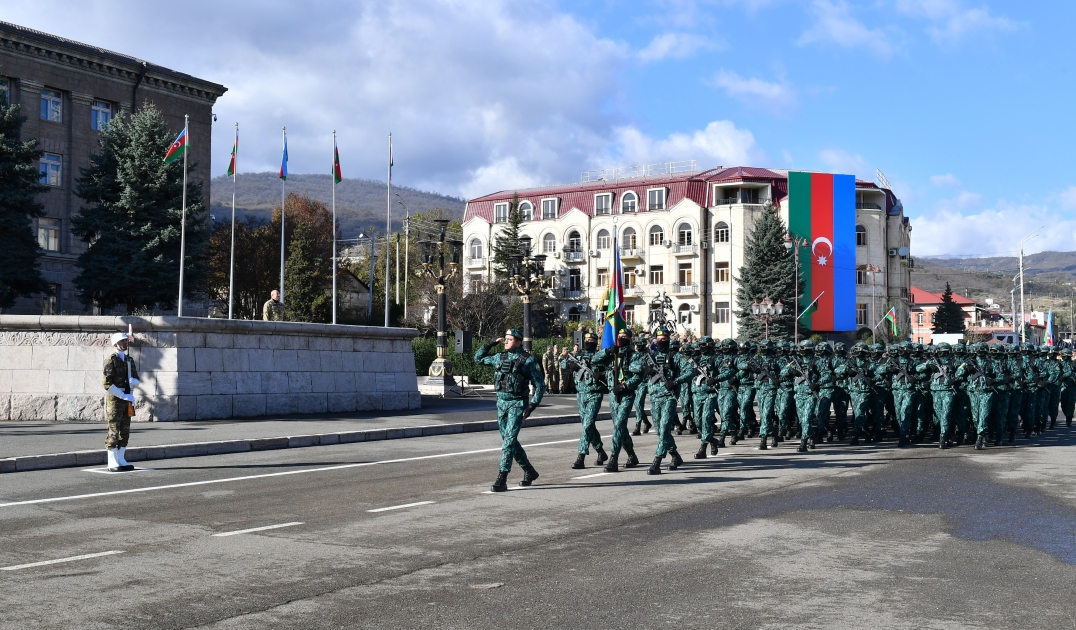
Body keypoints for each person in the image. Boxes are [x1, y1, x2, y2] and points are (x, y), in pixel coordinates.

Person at [474, 329, 546, 492]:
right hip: (501, 403)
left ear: (519, 342)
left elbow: (540, 385)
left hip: (517, 403)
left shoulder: (528, 360)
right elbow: (478, 358)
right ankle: (529, 471)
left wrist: (532, 405)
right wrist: (489, 344)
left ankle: (502, 478)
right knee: (510, 442)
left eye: (510, 339)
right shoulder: (500, 357)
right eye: (505, 339)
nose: (506, 341)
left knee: (508, 443)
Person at [645, 327, 693, 474]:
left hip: (669, 397)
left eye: (664, 338)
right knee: (660, 431)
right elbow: (633, 366)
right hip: (654, 397)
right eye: (659, 339)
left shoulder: (676, 357)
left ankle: (657, 461)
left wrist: (676, 381)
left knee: (665, 428)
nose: (661, 341)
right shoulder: (651, 356)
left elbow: (691, 370)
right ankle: (675, 456)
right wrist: (645, 369)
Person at [561, 332, 610, 469]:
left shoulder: (601, 356)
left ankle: (581, 456)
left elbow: (612, 371)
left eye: (591, 340)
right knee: (588, 426)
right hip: (581, 394)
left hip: (594, 394)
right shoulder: (578, 356)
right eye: (586, 340)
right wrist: (571, 364)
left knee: (587, 425)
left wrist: (601, 375)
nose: (588, 342)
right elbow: (563, 364)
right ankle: (600, 451)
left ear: (595, 342)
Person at [597, 329, 644, 472]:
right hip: (613, 395)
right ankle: (632, 455)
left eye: (625, 337)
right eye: (620, 336)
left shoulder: (635, 356)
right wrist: (608, 351)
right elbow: (595, 359)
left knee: (618, 426)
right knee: (621, 428)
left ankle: (613, 459)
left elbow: (639, 376)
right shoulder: (613, 354)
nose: (622, 338)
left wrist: (625, 385)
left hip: (626, 394)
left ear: (630, 339)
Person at [103, 331, 140, 472]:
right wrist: (122, 395)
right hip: (115, 402)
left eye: (126, 340)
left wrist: (134, 382)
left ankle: (121, 458)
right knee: (113, 431)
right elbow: (107, 384)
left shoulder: (129, 360)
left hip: (127, 400)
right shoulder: (111, 360)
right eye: (123, 341)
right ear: (116, 344)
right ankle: (112, 461)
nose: (125, 343)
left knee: (125, 430)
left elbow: (137, 379)